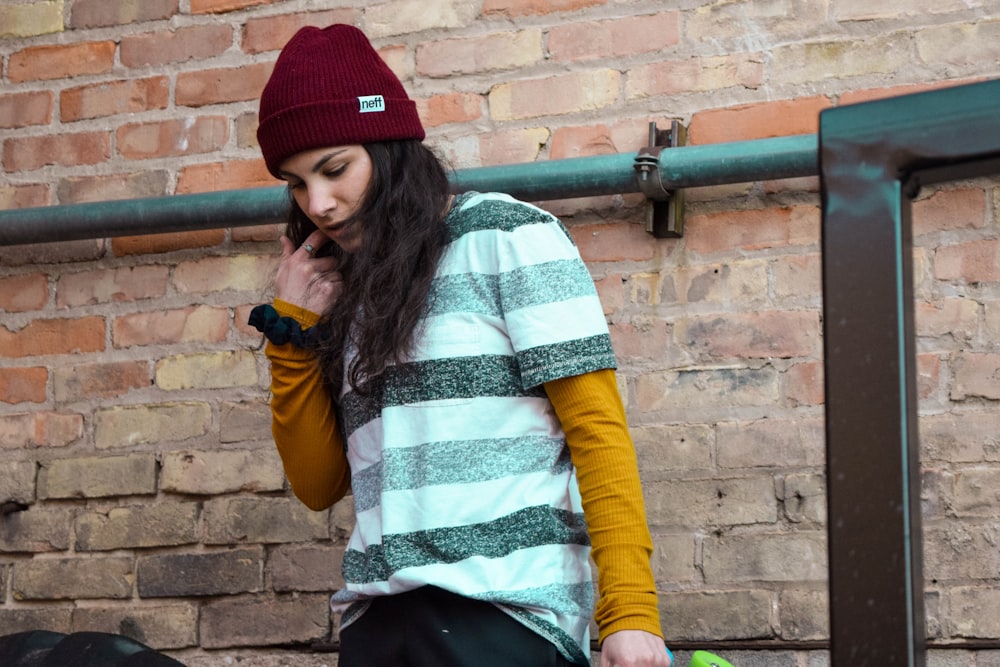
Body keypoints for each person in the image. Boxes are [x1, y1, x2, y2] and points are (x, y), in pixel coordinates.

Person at [249, 23, 671, 667]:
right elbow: (319, 483)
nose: (320, 204)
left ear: (389, 146)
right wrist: (293, 335)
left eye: (335, 169)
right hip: (376, 624)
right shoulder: (349, 290)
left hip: (505, 617)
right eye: (297, 183)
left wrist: (631, 614)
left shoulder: (506, 235)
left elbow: (597, 429)